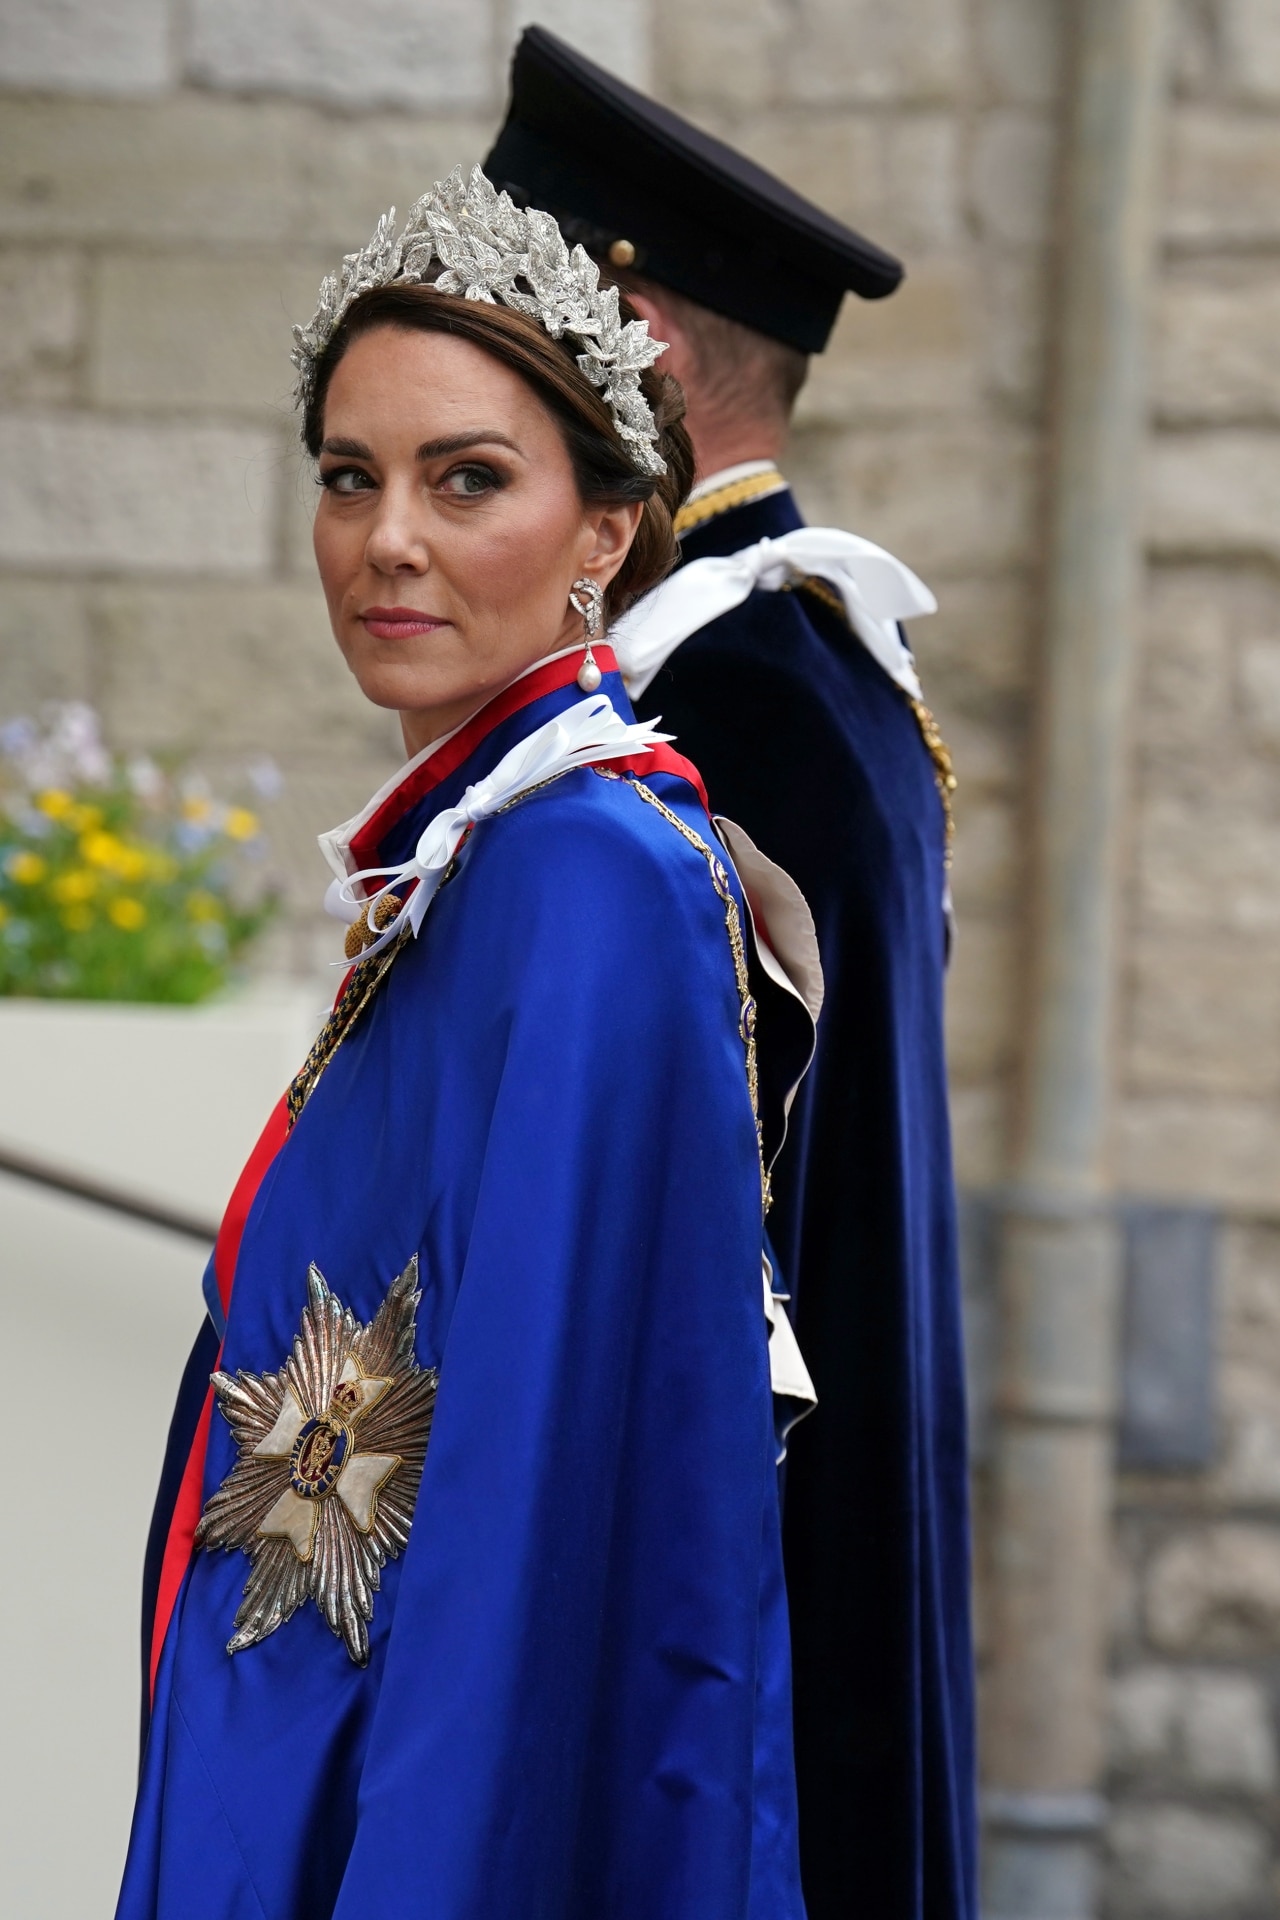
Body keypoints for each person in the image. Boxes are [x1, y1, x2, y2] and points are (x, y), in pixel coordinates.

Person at [116, 166, 822, 1920]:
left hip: (409, 1793)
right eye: (348, 479)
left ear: (606, 531)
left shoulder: (589, 875)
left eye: (468, 479)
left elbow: (537, 1497)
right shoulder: (491, 845)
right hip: (314, 1730)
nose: (388, 541)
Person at [486, 31, 976, 1920]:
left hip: (730, 1600)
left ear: (645, 351)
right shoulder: (799, 666)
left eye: (515, 324)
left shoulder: (723, 704)